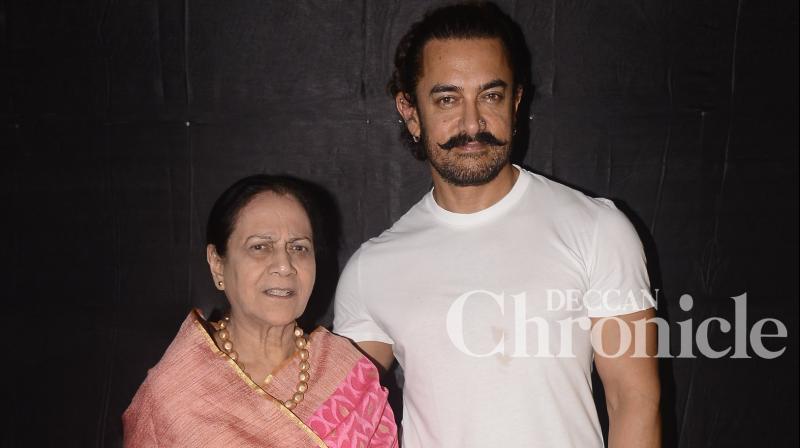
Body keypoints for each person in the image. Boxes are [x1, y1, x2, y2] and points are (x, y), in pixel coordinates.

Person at [333, 2, 661, 447]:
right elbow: (339, 416)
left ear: (517, 101)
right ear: (410, 112)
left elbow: (634, 400)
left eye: (491, 95)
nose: (472, 123)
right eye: (447, 99)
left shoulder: (597, 230)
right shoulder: (371, 268)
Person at [124, 175, 397, 447]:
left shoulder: (345, 374)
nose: (284, 265)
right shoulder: (174, 393)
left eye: (299, 248)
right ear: (218, 264)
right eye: (260, 247)